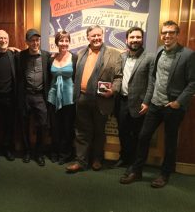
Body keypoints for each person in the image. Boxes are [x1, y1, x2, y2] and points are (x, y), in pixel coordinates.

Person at [120, 20, 195, 188]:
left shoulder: (188, 55)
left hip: (172, 107)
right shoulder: (160, 51)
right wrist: (149, 100)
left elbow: (192, 83)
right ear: (161, 34)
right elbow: (153, 77)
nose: (167, 35)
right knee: (143, 136)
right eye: (164, 32)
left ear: (177, 34)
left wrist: (178, 102)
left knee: (169, 141)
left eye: (171, 32)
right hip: (154, 104)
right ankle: (136, 171)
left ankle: (165, 173)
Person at [66, 25, 122, 173]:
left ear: (102, 35)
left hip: (102, 99)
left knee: (99, 131)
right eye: (93, 36)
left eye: (99, 35)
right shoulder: (80, 53)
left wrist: (113, 90)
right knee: (81, 132)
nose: (96, 38)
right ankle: (80, 161)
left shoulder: (114, 54)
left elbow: (118, 77)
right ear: (88, 37)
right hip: (82, 98)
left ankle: (97, 159)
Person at [111, 27, 154, 168]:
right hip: (122, 102)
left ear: (142, 39)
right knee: (122, 133)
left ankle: (135, 163)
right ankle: (124, 157)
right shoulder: (122, 57)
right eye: (132, 37)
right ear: (126, 40)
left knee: (137, 135)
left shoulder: (150, 57)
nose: (135, 40)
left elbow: (151, 82)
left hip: (139, 103)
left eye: (138, 37)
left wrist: (146, 102)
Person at [19, 29, 51, 166]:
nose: (35, 43)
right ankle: (27, 151)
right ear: (27, 42)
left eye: (37, 40)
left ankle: (39, 153)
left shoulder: (46, 56)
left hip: (40, 96)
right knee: (23, 124)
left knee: (43, 124)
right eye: (32, 40)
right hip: (25, 95)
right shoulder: (20, 56)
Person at [0, 30, 19, 163]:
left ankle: (7, 149)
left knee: (9, 125)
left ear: (8, 39)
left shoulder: (13, 55)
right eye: (0, 38)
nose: (3, 40)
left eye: (5, 38)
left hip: (10, 97)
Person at [47, 31, 77, 165]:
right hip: (53, 97)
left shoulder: (74, 58)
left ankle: (65, 154)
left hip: (69, 99)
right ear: (56, 43)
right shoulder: (51, 58)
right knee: (55, 127)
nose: (64, 43)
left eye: (66, 40)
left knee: (67, 128)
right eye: (61, 40)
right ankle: (55, 152)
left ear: (69, 42)